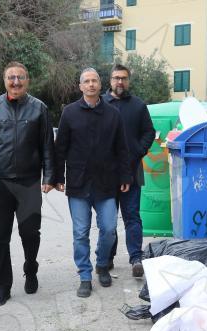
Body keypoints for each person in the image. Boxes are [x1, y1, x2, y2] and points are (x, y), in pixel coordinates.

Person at [0, 61, 55, 306]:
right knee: (0, 237)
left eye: (20, 77)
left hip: (29, 183)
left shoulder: (39, 108)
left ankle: (31, 268)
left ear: (27, 80)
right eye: (11, 78)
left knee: (30, 233)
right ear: (5, 80)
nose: (16, 82)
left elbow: (47, 146)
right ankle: (2, 286)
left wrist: (49, 177)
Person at [54, 67, 131, 298]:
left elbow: (122, 148)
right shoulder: (69, 113)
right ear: (80, 86)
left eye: (94, 80)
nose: (90, 84)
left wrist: (125, 176)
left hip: (106, 183)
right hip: (78, 184)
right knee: (80, 233)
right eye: (86, 81)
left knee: (108, 229)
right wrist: (57, 177)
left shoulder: (113, 114)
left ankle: (102, 263)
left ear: (100, 84)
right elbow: (60, 148)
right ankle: (85, 276)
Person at [103, 64, 155, 277]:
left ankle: (136, 258)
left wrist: (137, 151)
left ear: (128, 80)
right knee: (108, 219)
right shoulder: (100, 104)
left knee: (132, 216)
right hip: (106, 174)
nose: (120, 82)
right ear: (110, 80)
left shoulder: (138, 106)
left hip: (132, 171)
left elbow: (149, 132)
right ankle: (107, 257)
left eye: (123, 78)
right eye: (116, 78)